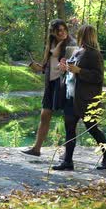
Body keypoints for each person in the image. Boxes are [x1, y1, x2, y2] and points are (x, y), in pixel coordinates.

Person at [51, 24, 106, 171]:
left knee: (92, 129)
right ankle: (68, 162)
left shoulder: (95, 54)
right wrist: (65, 67)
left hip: (87, 99)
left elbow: (98, 77)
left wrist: (80, 70)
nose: (79, 37)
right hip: (72, 96)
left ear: (85, 36)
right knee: (69, 129)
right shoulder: (78, 51)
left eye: (81, 34)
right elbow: (72, 70)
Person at [21, 19, 77, 157]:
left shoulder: (71, 44)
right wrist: (38, 67)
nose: (62, 33)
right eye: (59, 30)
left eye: (64, 30)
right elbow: (47, 66)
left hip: (63, 83)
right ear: (53, 32)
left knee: (68, 119)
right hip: (51, 83)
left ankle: (67, 153)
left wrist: (64, 67)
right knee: (44, 115)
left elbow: (71, 67)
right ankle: (36, 148)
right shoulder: (50, 43)